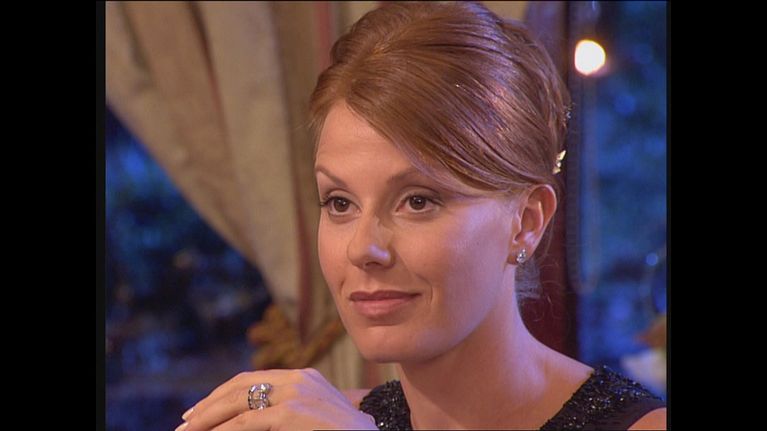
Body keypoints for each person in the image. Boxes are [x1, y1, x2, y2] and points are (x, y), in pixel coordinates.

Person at [174, 2, 667, 430]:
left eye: (418, 201)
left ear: (527, 221)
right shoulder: (327, 419)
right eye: (340, 203)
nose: (362, 249)